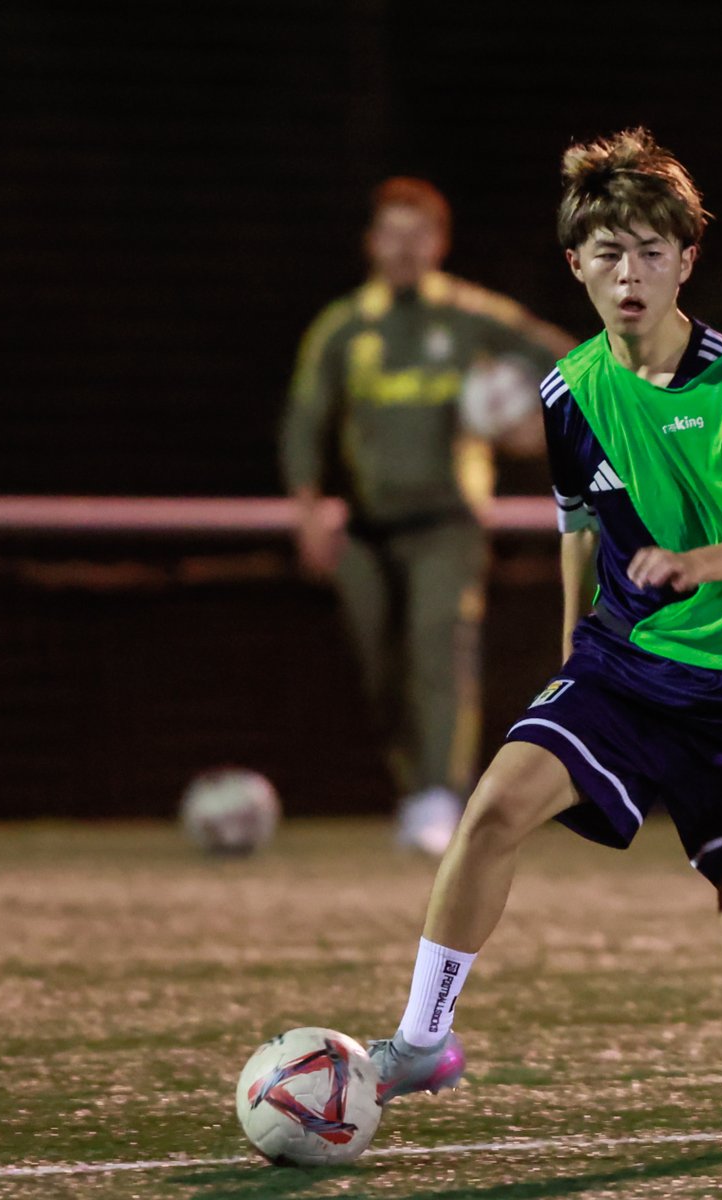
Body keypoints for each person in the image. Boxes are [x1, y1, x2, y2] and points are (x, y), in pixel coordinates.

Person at [368, 129, 722, 1154]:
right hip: (624, 670)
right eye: (610, 253)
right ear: (576, 264)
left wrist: (691, 564)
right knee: (492, 810)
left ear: (686, 261)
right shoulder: (567, 391)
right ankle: (422, 1039)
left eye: (653, 253)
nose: (632, 275)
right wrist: (576, 651)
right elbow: (579, 523)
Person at [280, 177, 574, 856]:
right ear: (371, 242)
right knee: (380, 665)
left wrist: (541, 427)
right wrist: (305, 510)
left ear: (439, 243)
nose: (405, 248)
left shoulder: (472, 316)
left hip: (449, 522)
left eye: (419, 234)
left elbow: (575, 362)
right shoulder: (345, 327)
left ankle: (443, 797)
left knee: (437, 641)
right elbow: (303, 419)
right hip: (366, 525)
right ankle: (417, 793)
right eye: (392, 233)